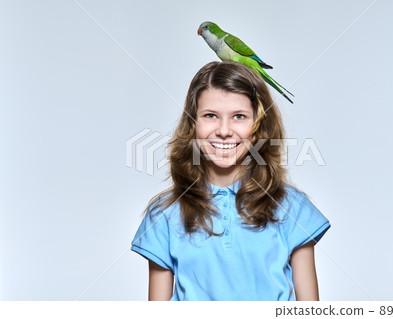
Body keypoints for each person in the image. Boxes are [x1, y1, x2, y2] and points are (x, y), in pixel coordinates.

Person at [131, 61, 330, 301]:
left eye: (239, 116)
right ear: (192, 123)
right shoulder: (164, 213)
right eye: (210, 115)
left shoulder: (291, 207)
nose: (224, 130)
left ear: (258, 126)